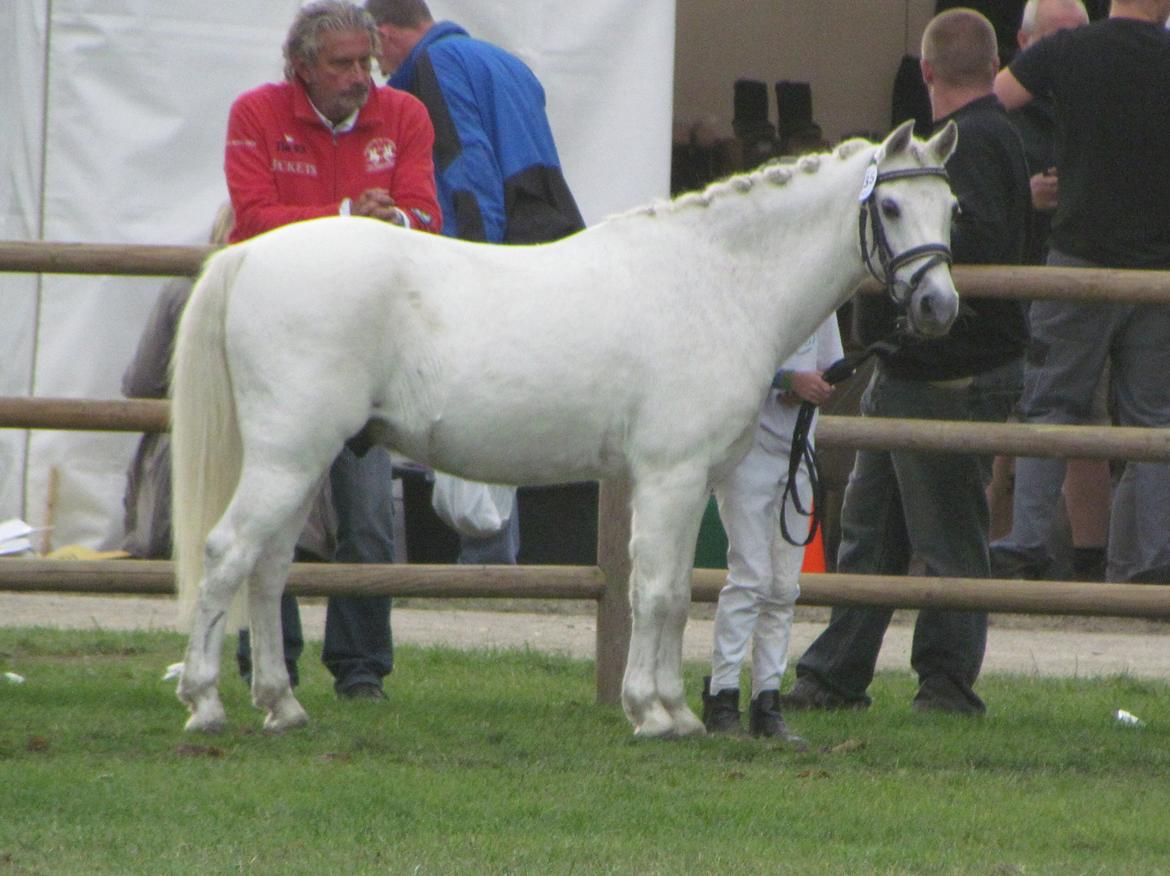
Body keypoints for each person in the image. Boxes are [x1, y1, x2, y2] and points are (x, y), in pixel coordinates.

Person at [780, 8, 1030, 716]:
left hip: (948, 370)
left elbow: (959, 245)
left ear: (926, 72)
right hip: (922, 370)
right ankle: (835, 673)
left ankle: (944, 684)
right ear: (995, 63)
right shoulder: (996, 138)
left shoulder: (966, 146)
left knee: (944, 537)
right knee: (874, 528)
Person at [224, 0, 442, 699]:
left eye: (366, 62)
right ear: (300, 67)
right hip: (278, 345)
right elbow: (250, 220)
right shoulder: (255, 113)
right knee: (265, 509)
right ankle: (267, 658)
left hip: (366, 350)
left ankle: (360, 668)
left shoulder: (404, 113)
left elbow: (428, 216)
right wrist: (349, 217)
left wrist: (396, 218)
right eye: (341, 63)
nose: (359, 77)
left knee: (370, 518)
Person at [364, 0, 585, 565]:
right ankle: (497, 565)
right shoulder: (504, 62)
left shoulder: (437, 66)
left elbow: (468, 169)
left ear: (387, 34)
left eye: (375, 56)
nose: (379, 73)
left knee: (480, 406)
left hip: (501, 248)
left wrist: (474, 271)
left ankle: (486, 568)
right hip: (551, 232)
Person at [119, 204, 336, 688]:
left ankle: (241, 669)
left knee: (249, 547)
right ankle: (269, 669)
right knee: (259, 545)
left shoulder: (187, 290)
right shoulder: (296, 302)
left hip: (227, 444)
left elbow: (139, 380)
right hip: (280, 445)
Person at [992, 0, 1170, 584]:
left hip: (1078, 259)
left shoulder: (1072, 49)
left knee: (1049, 405)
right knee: (1153, 421)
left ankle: (1024, 546)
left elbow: (1003, 91)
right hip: (1156, 271)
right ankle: (1156, 560)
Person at [986, 0, 1109, 583]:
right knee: (1020, 423)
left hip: (1089, 282)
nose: (1068, 53)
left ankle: (1089, 559)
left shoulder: (1103, 101)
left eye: (1077, 39)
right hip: (1014, 289)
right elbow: (966, 205)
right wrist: (1024, 196)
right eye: (1056, 40)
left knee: (1084, 419)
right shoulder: (999, 114)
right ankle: (1000, 548)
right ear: (1022, 41)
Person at [701, 315, 842, 739]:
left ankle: (767, 699)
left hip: (798, 452)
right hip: (750, 451)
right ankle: (723, 695)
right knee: (749, 576)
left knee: (784, 585)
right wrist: (786, 381)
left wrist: (816, 386)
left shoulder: (823, 309)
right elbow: (726, 366)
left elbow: (830, 364)